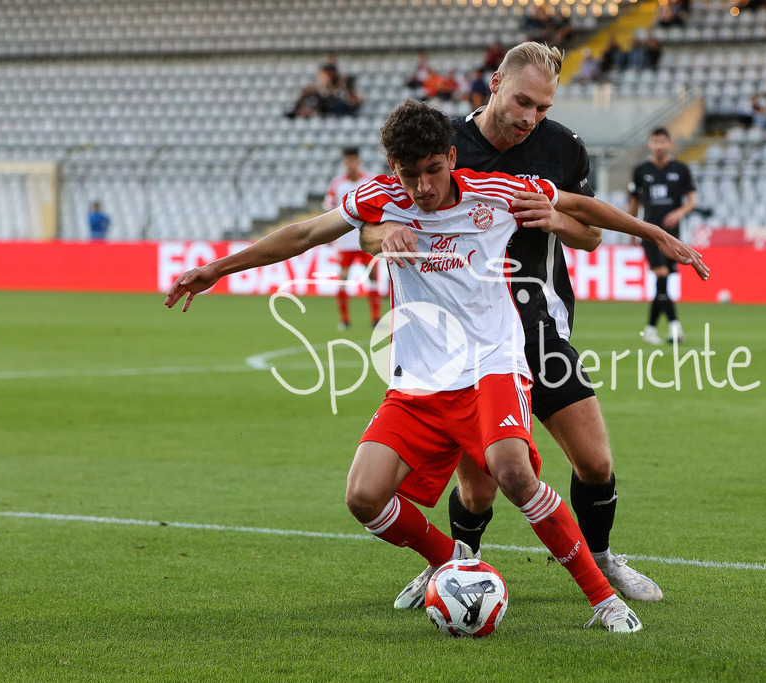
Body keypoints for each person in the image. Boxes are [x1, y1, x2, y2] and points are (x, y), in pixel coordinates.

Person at [165, 98, 686, 632]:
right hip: (421, 378)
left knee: (512, 472)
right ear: (394, 171)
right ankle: (451, 565)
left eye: (434, 171)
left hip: (493, 365)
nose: (423, 189)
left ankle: (603, 599)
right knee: (363, 497)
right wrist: (217, 268)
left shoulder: (496, 192)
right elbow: (303, 235)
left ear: (452, 157)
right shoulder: (380, 199)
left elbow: (583, 208)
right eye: (409, 175)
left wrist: (655, 235)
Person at [361, 42, 708, 609]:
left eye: (543, 108)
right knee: (478, 486)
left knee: (594, 461)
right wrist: (386, 239)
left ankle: (600, 558)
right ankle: (456, 569)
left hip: (538, 324)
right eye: (523, 101)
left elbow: (590, 233)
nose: (530, 118)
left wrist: (556, 220)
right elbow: (377, 223)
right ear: (495, 82)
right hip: (465, 337)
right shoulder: (441, 141)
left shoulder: (562, 147)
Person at [628, 127, 696, 345]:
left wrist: (679, 212)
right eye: (655, 141)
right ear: (650, 144)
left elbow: (692, 201)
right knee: (662, 274)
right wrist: (631, 229)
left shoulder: (681, 169)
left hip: (673, 236)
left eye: (662, 141)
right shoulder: (640, 170)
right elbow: (634, 203)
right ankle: (676, 327)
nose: (658, 145)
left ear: (669, 144)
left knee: (663, 282)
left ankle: (649, 330)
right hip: (649, 233)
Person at [322, 147, 378, 330]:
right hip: (345, 241)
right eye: (348, 160)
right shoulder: (337, 184)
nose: (351, 164)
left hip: (367, 240)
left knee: (373, 276)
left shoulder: (369, 180)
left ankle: (375, 318)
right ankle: (345, 320)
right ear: (344, 162)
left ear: (358, 161)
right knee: (343, 278)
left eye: (354, 160)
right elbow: (329, 210)